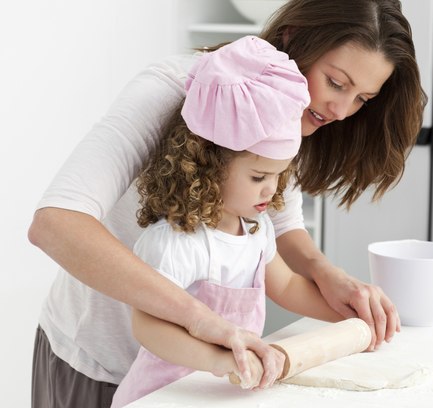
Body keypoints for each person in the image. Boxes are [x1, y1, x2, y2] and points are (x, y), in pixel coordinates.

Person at [28, 0, 425, 406]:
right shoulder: (176, 89)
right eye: (337, 83)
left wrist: (330, 277)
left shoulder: (291, 111)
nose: (341, 111)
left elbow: (279, 226)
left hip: (198, 384)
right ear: (294, 38)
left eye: (363, 98)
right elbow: (57, 223)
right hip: (97, 364)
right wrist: (203, 324)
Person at [109, 35, 343, 407]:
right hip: (167, 395)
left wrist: (350, 316)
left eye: (277, 177)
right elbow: (148, 326)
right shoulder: (177, 242)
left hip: (223, 391)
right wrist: (220, 360)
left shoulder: (256, 230)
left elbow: (286, 286)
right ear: (209, 166)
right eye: (258, 177)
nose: (270, 191)